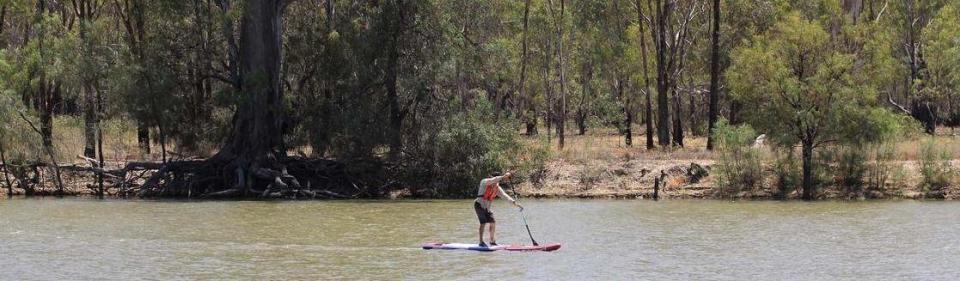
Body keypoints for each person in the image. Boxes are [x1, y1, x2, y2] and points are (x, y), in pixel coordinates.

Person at [474, 171, 523, 247]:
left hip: (487, 208)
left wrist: (516, 204)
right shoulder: (485, 182)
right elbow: (494, 180)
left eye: (497, 182)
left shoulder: (497, 188)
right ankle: (481, 242)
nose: (496, 183)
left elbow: (505, 196)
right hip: (479, 205)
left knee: (493, 222)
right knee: (483, 222)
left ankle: (492, 241)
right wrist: (504, 176)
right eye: (496, 181)